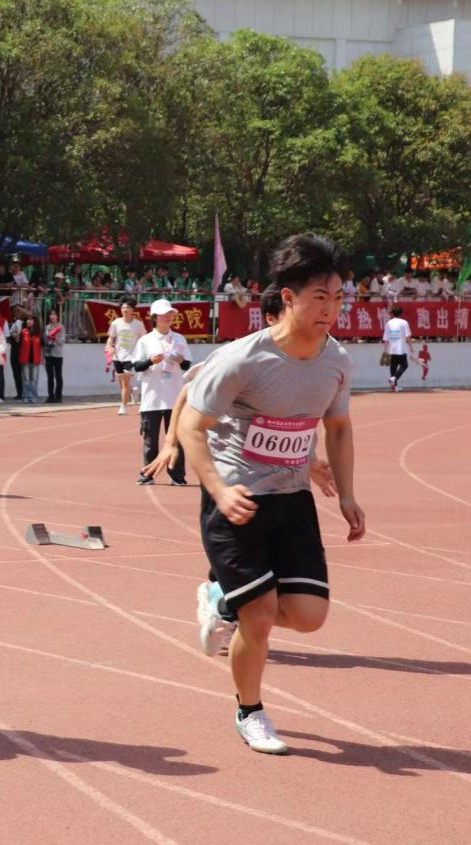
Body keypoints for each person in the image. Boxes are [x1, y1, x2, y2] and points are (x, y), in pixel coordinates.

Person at [179, 233, 365, 755]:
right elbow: (191, 425)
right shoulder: (242, 359)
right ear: (288, 297)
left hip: (292, 498)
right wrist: (218, 489)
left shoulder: (336, 360)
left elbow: (338, 427)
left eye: (338, 298)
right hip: (236, 500)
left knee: (309, 616)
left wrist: (347, 494)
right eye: (320, 297)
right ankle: (251, 710)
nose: (331, 309)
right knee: (259, 614)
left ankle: (223, 598)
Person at [133, 299, 190, 486]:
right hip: (153, 398)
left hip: (175, 397)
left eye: (170, 314)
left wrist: (180, 360)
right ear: (154, 317)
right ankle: (148, 474)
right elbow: (137, 366)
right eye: (164, 315)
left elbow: (187, 365)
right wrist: (151, 361)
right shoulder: (145, 340)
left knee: (176, 439)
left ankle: (177, 475)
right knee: (150, 439)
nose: (168, 317)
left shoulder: (179, 339)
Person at [105, 298, 144, 414]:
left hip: (131, 357)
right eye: (123, 307)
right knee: (122, 384)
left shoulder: (138, 324)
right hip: (117, 356)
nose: (125, 310)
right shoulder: (116, 323)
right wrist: (110, 347)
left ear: (133, 310)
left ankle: (123, 406)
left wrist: (141, 352)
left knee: (125, 383)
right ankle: (133, 392)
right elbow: (111, 338)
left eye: (127, 307)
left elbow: (144, 339)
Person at [382, 305, 413, 392]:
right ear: (401, 313)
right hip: (400, 349)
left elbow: (386, 338)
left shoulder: (389, 323)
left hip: (391, 349)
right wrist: (411, 347)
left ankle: (394, 386)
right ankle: (394, 379)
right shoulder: (404, 323)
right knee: (404, 365)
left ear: (393, 313)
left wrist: (385, 350)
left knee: (393, 366)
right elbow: (408, 337)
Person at [19, 314, 42, 403]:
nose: (28, 321)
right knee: (26, 379)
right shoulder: (23, 331)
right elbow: (18, 342)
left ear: (35, 322)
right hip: (25, 359)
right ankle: (26, 396)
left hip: (36, 359)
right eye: (27, 320)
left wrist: (42, 357)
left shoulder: (39, 333)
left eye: (31, 319)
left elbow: (42, 346)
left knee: (34, 379)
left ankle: (33, 396)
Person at [43, 310, 65, 404]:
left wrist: (55, 339)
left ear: (57, 316)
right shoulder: (47, 327)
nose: (52, 316)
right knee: (50, 376)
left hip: (58, 354)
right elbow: (45, 339)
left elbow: (62, 341)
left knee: (58, 376)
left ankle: (58, 396)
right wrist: (48, 342)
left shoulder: (61, 327)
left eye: (54, 314)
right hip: (48, 354)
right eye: (51, 314)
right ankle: (50, 396)